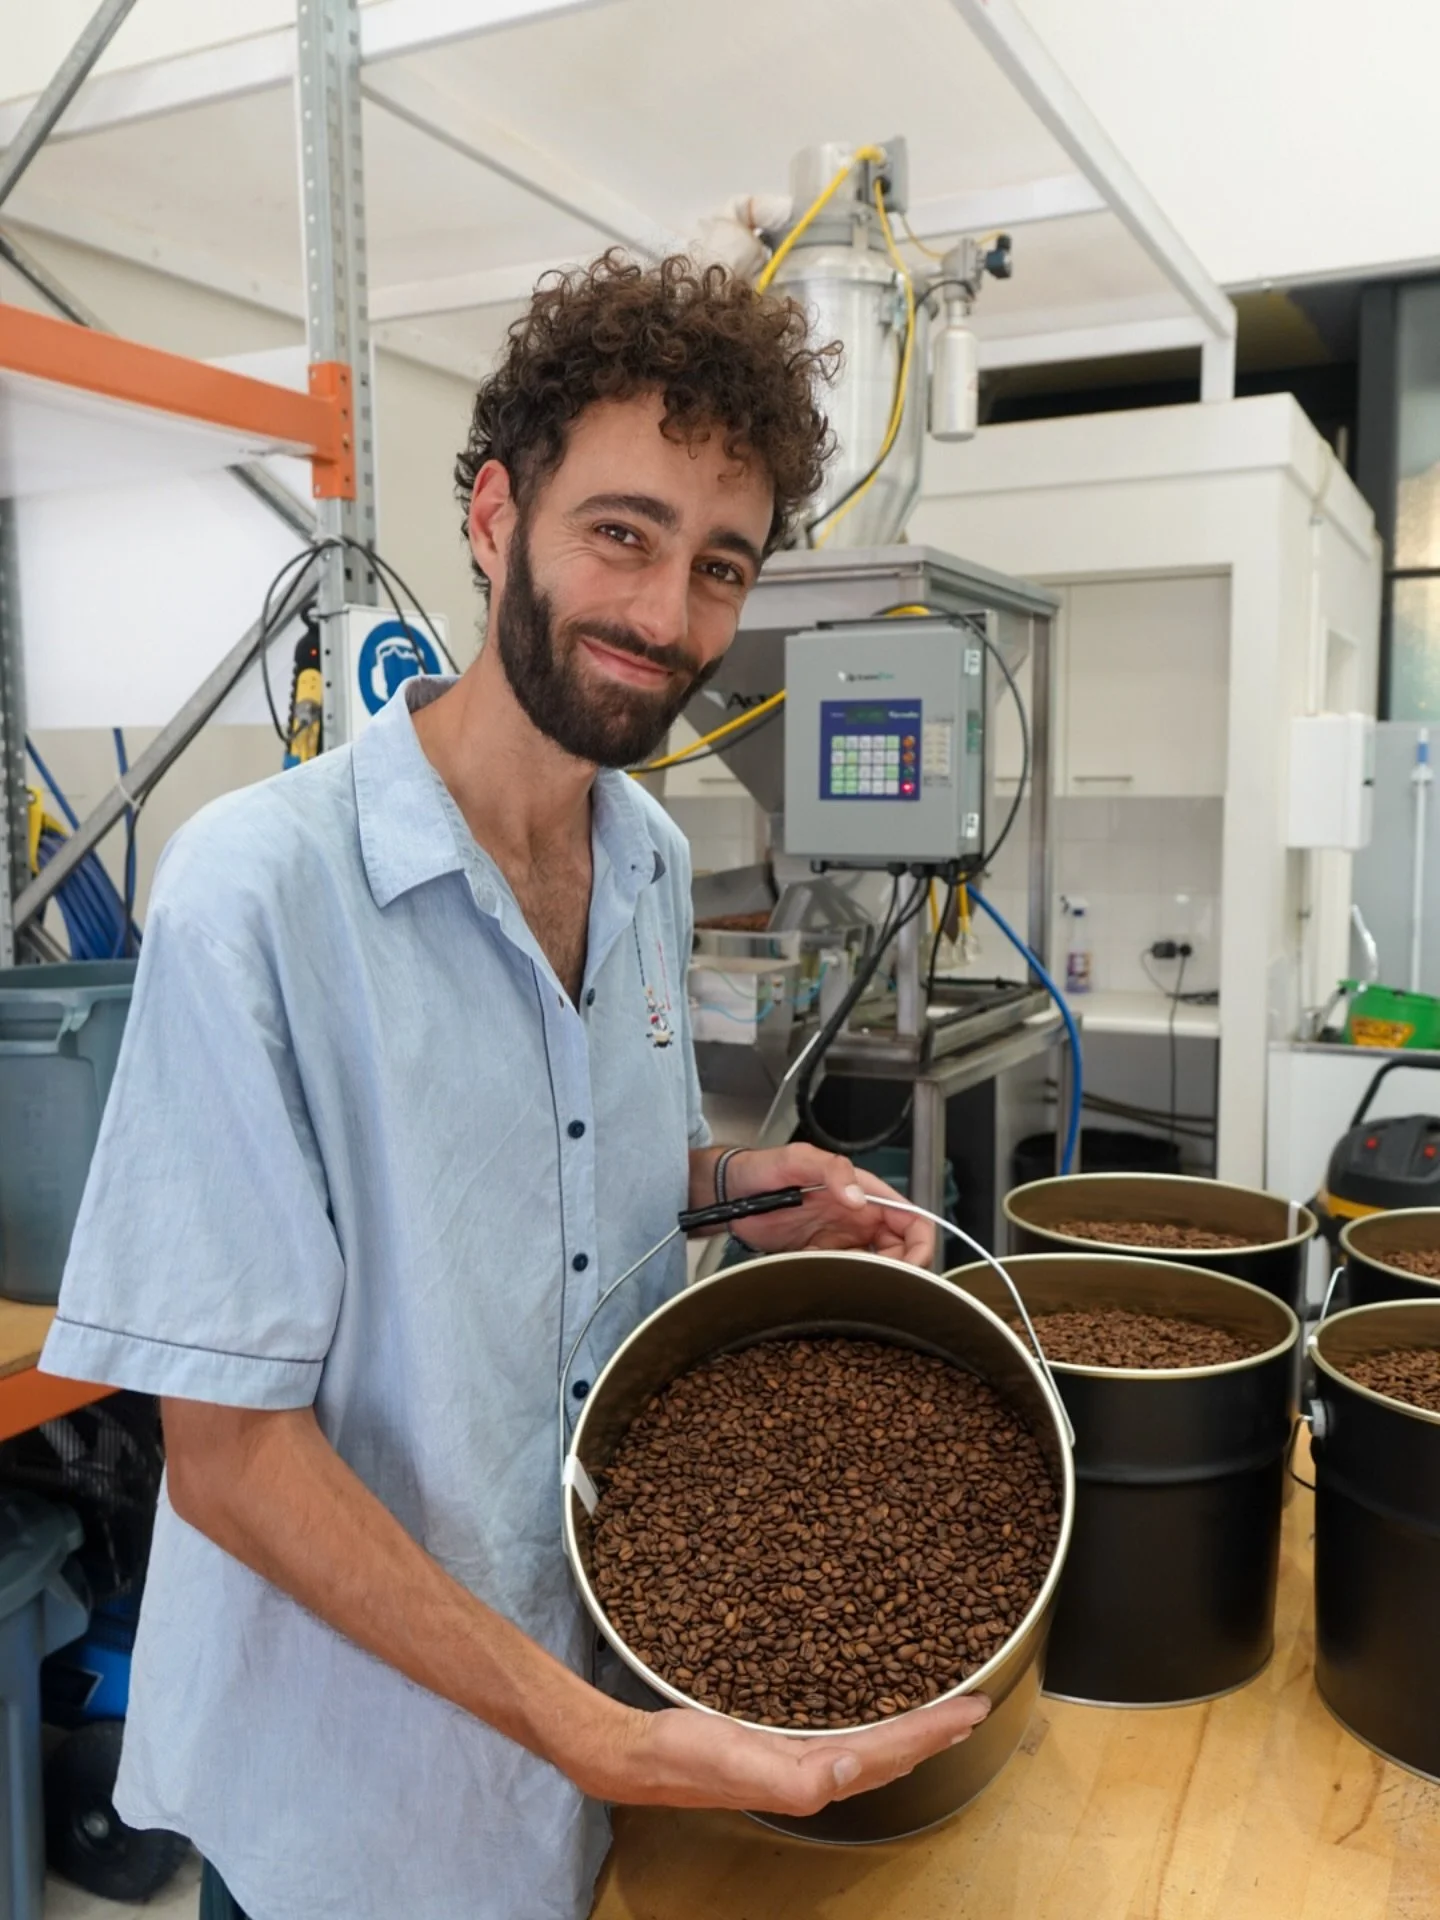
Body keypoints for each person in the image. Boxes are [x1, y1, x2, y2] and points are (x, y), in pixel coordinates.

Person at [41, 254, 988, 1920]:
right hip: (356, 1809)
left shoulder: (649, 857)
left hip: (592, 1747)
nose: (666, 616)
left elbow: (567, 1173)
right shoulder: (259, 894)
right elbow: (229, 1458)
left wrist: (737, 1191)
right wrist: (602, 1737)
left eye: (719, 566)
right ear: (495, 517)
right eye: (621, 533)